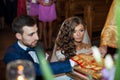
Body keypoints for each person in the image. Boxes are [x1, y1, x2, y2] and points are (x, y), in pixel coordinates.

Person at [3, 15, 76, 79]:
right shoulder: (12, 55)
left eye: (36, 32)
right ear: (19, 36)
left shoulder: (36, 44)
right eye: (31, 34)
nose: (37, 37)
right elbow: (37, 70)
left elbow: (45, 64)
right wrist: (72, 62)